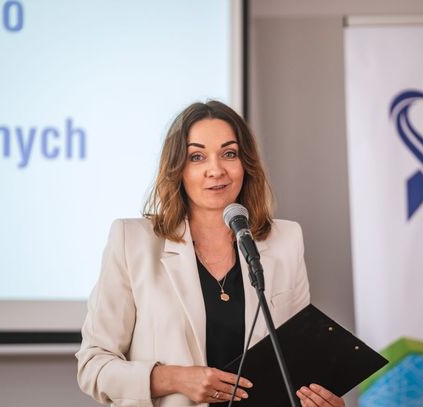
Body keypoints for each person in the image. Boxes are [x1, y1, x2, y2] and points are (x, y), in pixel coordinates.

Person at [76, 100, 345, 407]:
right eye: (197, 157)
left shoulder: (286, 240)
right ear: (177, 169)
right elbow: (93, 367)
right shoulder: (132, 241)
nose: (216, 170)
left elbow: (299, 362)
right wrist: (175, 378)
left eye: (229, 154)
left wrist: (320, 400)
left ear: (246, 163)